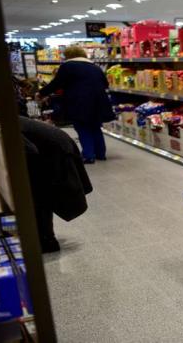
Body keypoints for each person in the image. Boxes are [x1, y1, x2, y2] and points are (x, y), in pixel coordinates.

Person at [21, 117, 93, 253]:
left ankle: (46, 241)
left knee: (41, 198)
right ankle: (45, 240)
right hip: (53, 145)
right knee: (42, 197)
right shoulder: (3, 120)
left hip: (54, 150)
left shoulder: (2, 125)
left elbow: (29, 150)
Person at [37, 45, 114, 163]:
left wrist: (41, 93)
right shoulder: (94, 67)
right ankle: (100, 153)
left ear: (68, 55)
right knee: (95, 127)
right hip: (98, 101)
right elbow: (105, 84)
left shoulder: (67, 66)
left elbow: (56, 83)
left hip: (79, 101)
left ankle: (88, 155)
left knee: (82, 127)